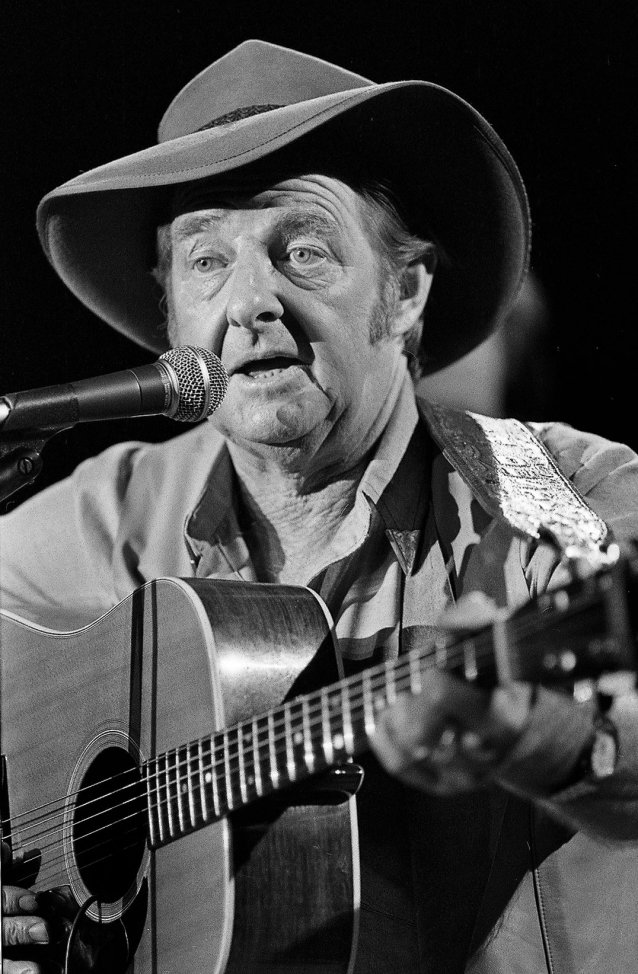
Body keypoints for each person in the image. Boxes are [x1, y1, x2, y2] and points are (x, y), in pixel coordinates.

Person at [2, 39, 638, 974]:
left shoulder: (561, 493)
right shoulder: (109, 516)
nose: (253, 301)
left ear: (407, 290)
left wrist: (538, 737)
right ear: (171, 312)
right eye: (205, 258)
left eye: (302, 250)